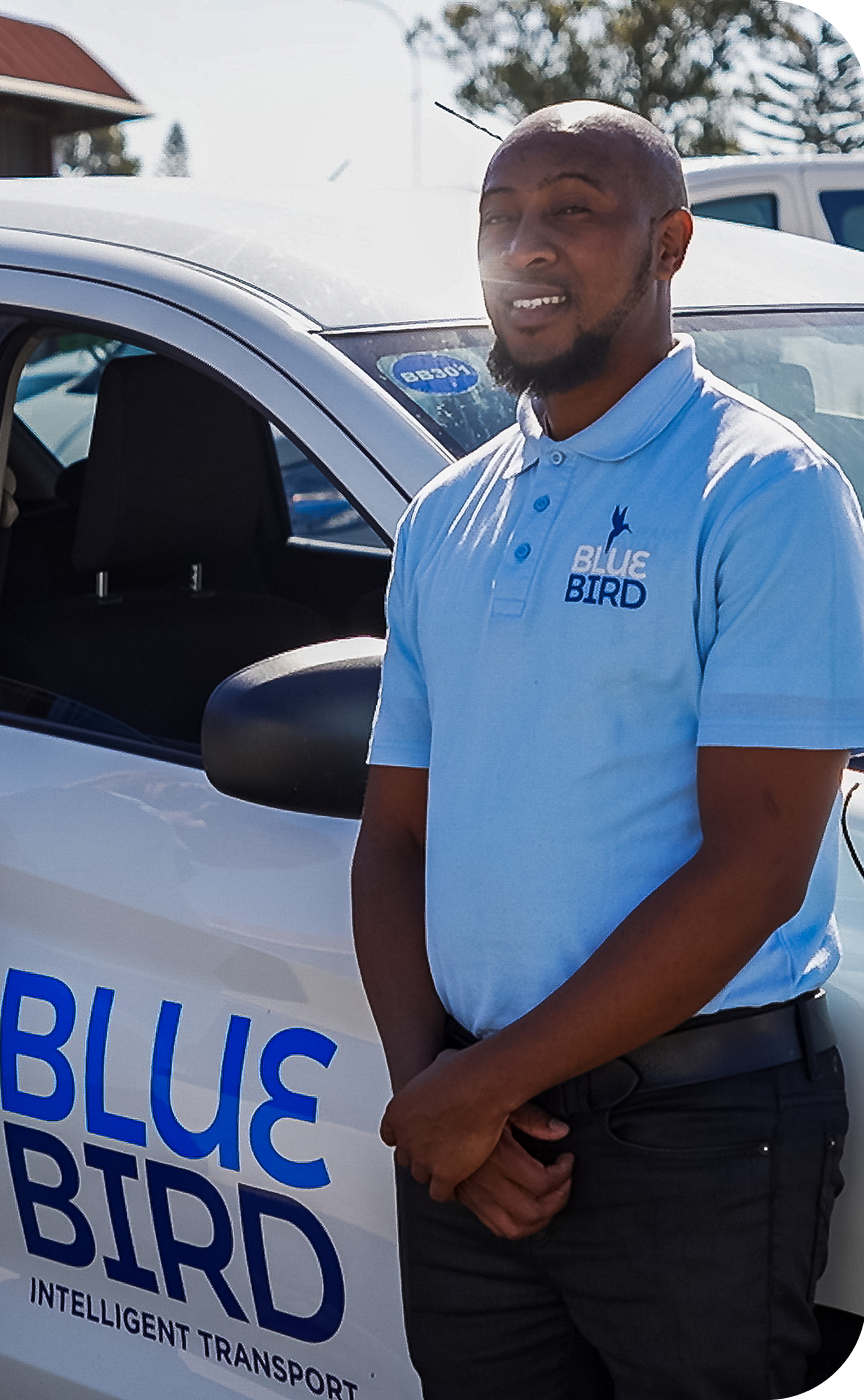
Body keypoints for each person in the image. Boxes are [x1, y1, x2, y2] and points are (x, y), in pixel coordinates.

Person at [353, 100, 864, 1399]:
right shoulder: (443, 516)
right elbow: (396, 837)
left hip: (696, 1136)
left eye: (571, 210)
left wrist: (476, 1094)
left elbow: (756, 866)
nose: (525, 246)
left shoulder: (764, 490)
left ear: (670, 242)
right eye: (498, 218)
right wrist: (438, 1094)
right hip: (475, 1136)